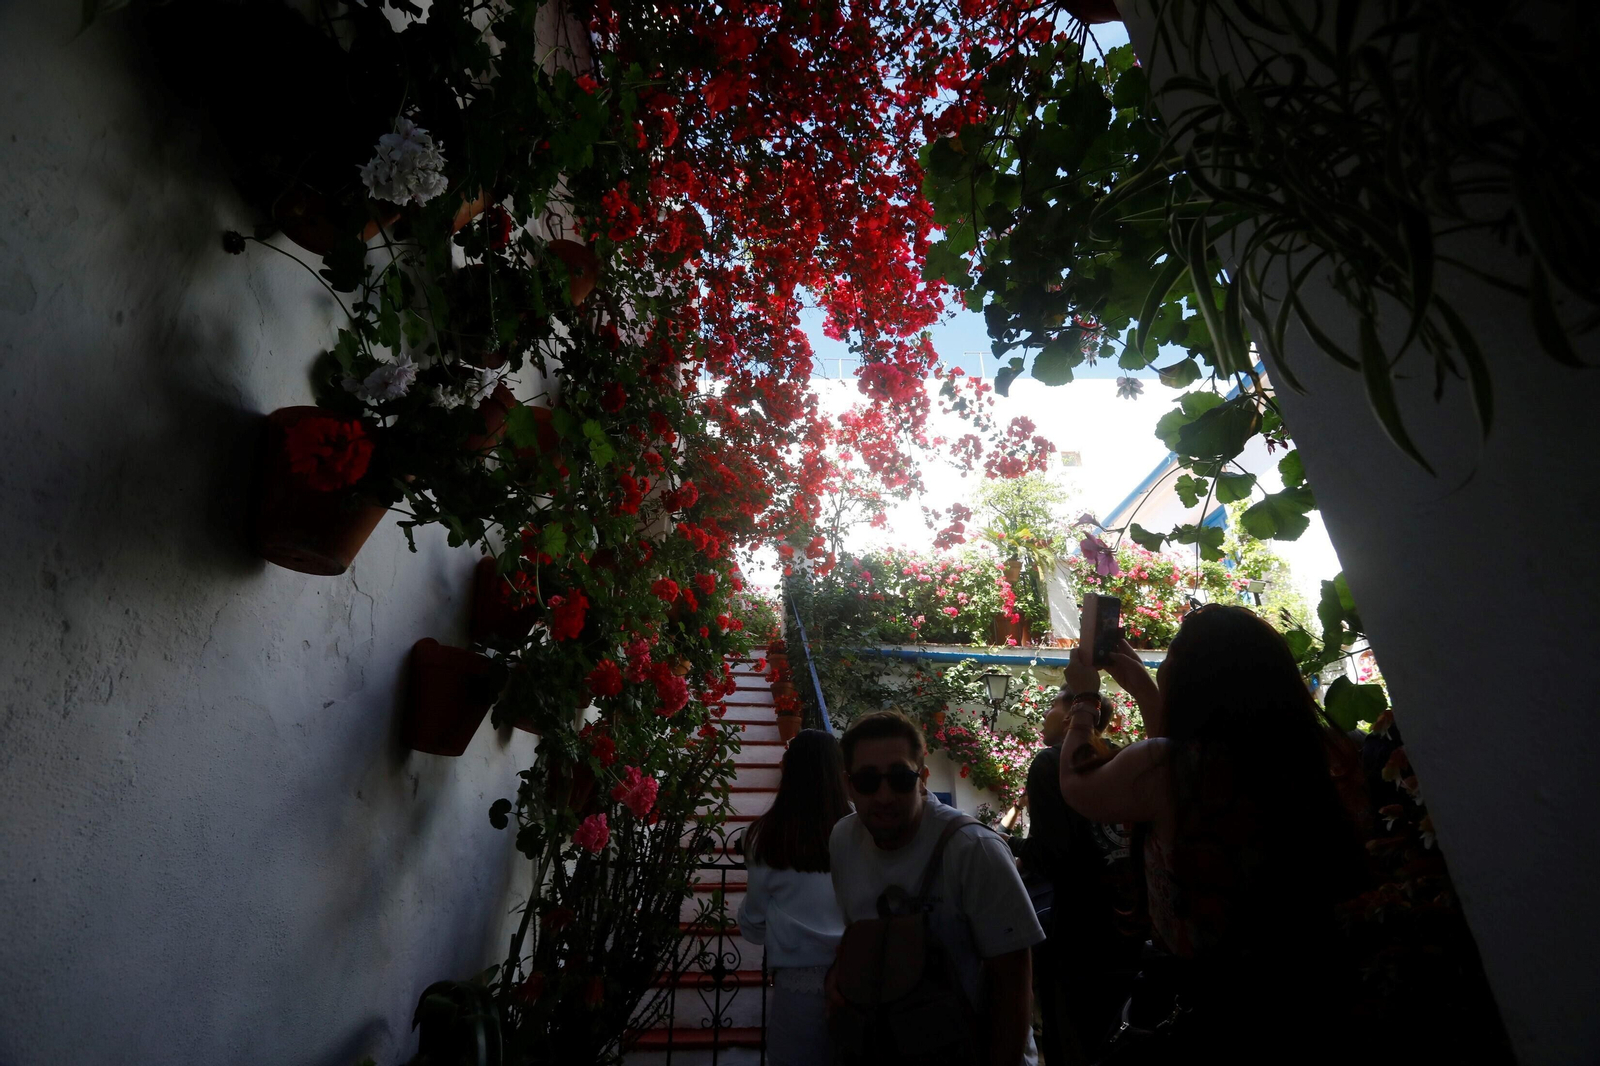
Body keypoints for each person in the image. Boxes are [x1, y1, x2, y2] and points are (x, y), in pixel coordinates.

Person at [1055, 605, 1368, 1062]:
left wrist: (1085, 701)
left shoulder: (1172, 768)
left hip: (1213, 1013)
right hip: (1319, 996)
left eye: (1173, 656)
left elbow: (1078, 786)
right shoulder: (1327, 758)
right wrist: (1143, 688)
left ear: (1193, 677)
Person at [828, 709, 1045, 1065]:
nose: (883, 796)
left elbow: (1013, 980)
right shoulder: (843, 840)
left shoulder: (974, 849)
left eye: (899, 778)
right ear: (848, 785)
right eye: (868, 781)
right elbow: (857, 930)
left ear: (923, 778)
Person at [1023, 693, 1142, 1065]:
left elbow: (1049, 856)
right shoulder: (1124, 756)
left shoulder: (1050, 763)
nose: (1044, 714)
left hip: (1077, 937)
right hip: (1131, 933)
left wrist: (1009, 845)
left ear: (1071, 714)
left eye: (1053, 705)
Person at [737, 728, 851, 1066]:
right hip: (857, 974)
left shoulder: (765, 836)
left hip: (796, 984)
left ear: (788, 768)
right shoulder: (858, 828)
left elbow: (753, 922)